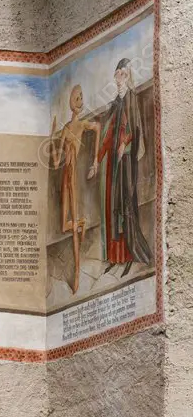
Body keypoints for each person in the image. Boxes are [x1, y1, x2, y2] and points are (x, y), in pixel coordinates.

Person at [94, 58, 153, 276]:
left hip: (126, 164)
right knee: (112, 208)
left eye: (125, 74)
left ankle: (130, 254)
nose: (121, 78)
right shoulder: (115, 104)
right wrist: (97, 159)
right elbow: (108, 134)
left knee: (126, 205)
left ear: (128, 77)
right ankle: (115, 256)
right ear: (115, 76)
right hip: (113, 165)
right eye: (118, 74)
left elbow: (134, 130)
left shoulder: (131, 99)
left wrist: (125, 144)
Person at [49, 85, 100, 293]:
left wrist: (95, 160)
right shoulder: (66, 129)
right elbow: (55, 162)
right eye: (77, 98)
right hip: (65, 176)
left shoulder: (81, 125)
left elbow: (97, 127)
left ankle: (77, 277)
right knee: (64, 226)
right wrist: (52, 138)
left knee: (74, 232)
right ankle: (81, 223)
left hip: (76, 175)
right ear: (71, 103)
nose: (80, 102)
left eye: (81, 98)